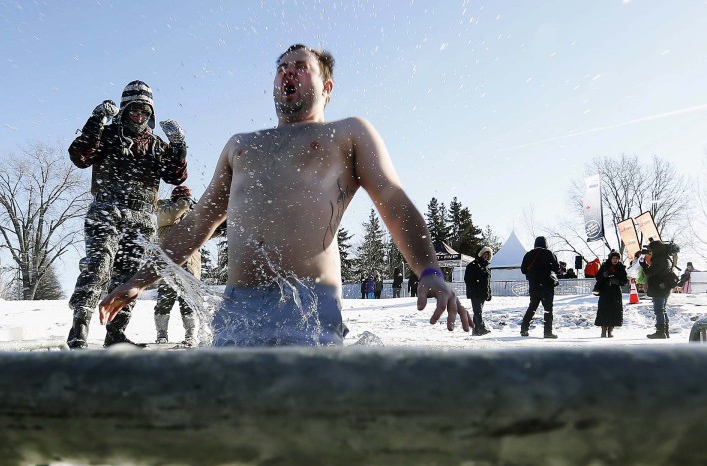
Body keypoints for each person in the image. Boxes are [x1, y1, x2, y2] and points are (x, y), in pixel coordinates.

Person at [99, 44, 470, 345]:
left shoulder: (347, 133)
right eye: (281, 67)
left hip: (309, 306)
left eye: (301, 66)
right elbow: (197, 223)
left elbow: (392, 200)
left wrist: (429, 270)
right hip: (237, 312)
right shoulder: (240, 145)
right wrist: (138, 280)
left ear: (327, 87)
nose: (287, 71)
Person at [65, 81, 189, 348]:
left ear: (151, 114)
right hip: (106, 212)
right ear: (124, 110)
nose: (140, 116)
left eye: (145, 111)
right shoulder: (107, 135)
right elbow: (80, 156)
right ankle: (80, 326)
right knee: (98, 267)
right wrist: (96, 120)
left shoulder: (156, 145)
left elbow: (175, 176)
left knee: (129, 277)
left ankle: (116, 334)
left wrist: (179, 145)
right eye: (135, 110)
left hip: (141, 219)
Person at [154, 185, 201, 346]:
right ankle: (161, 334)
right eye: (185, 199)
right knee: (164, 302)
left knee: (189, 303)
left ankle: (190, 335)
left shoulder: (191, 217)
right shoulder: (164, 211)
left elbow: (204, 234)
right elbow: (174, 213)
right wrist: (185, 203)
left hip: (190, 267)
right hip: (169, 267)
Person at [519, 235, 560, 339]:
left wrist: (533, 273)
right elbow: (556, 267)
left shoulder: (528, 254)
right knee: (548, 309)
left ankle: (524, 328)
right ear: (545, 243)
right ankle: (547, 332)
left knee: (532, 307)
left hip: (534, 286)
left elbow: (523, 269)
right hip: (547, 286)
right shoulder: (548, 253)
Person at [640, 240, 676, 339]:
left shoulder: (660, 260)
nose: (649, 252)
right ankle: (665, 331)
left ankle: (660, 332)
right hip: (663, 288)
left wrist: (644, 266)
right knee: (662, 310)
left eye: (650, 250)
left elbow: (650, 272)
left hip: (659, 288)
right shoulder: (664, 258)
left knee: (659, 310)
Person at [593, 251, 627, 338]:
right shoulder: (605, 266)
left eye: (617, 258)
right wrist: (604, 275)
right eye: (613, 258)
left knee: (614, 311)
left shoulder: (621, 267)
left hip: (615, 292)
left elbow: (624, 281)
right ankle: (603, 331)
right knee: (604, 311)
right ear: (610, 259)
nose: (615, 260)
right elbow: (597, 277)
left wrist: (618, 281)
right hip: (605, 291)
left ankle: (610, 331)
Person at [464, 246, 492, 336]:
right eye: (484, 254)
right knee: (478, 311)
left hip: (483, 292)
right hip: (475, 292)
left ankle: (476, 329)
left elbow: (487, 282)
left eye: (487, 254)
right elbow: (467, 279)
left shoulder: (486, 267)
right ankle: (481, 328)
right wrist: (473, 289)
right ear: (480, 254)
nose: (486, 256)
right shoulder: (472, 265)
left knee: (478, 311)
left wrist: (489, 292)